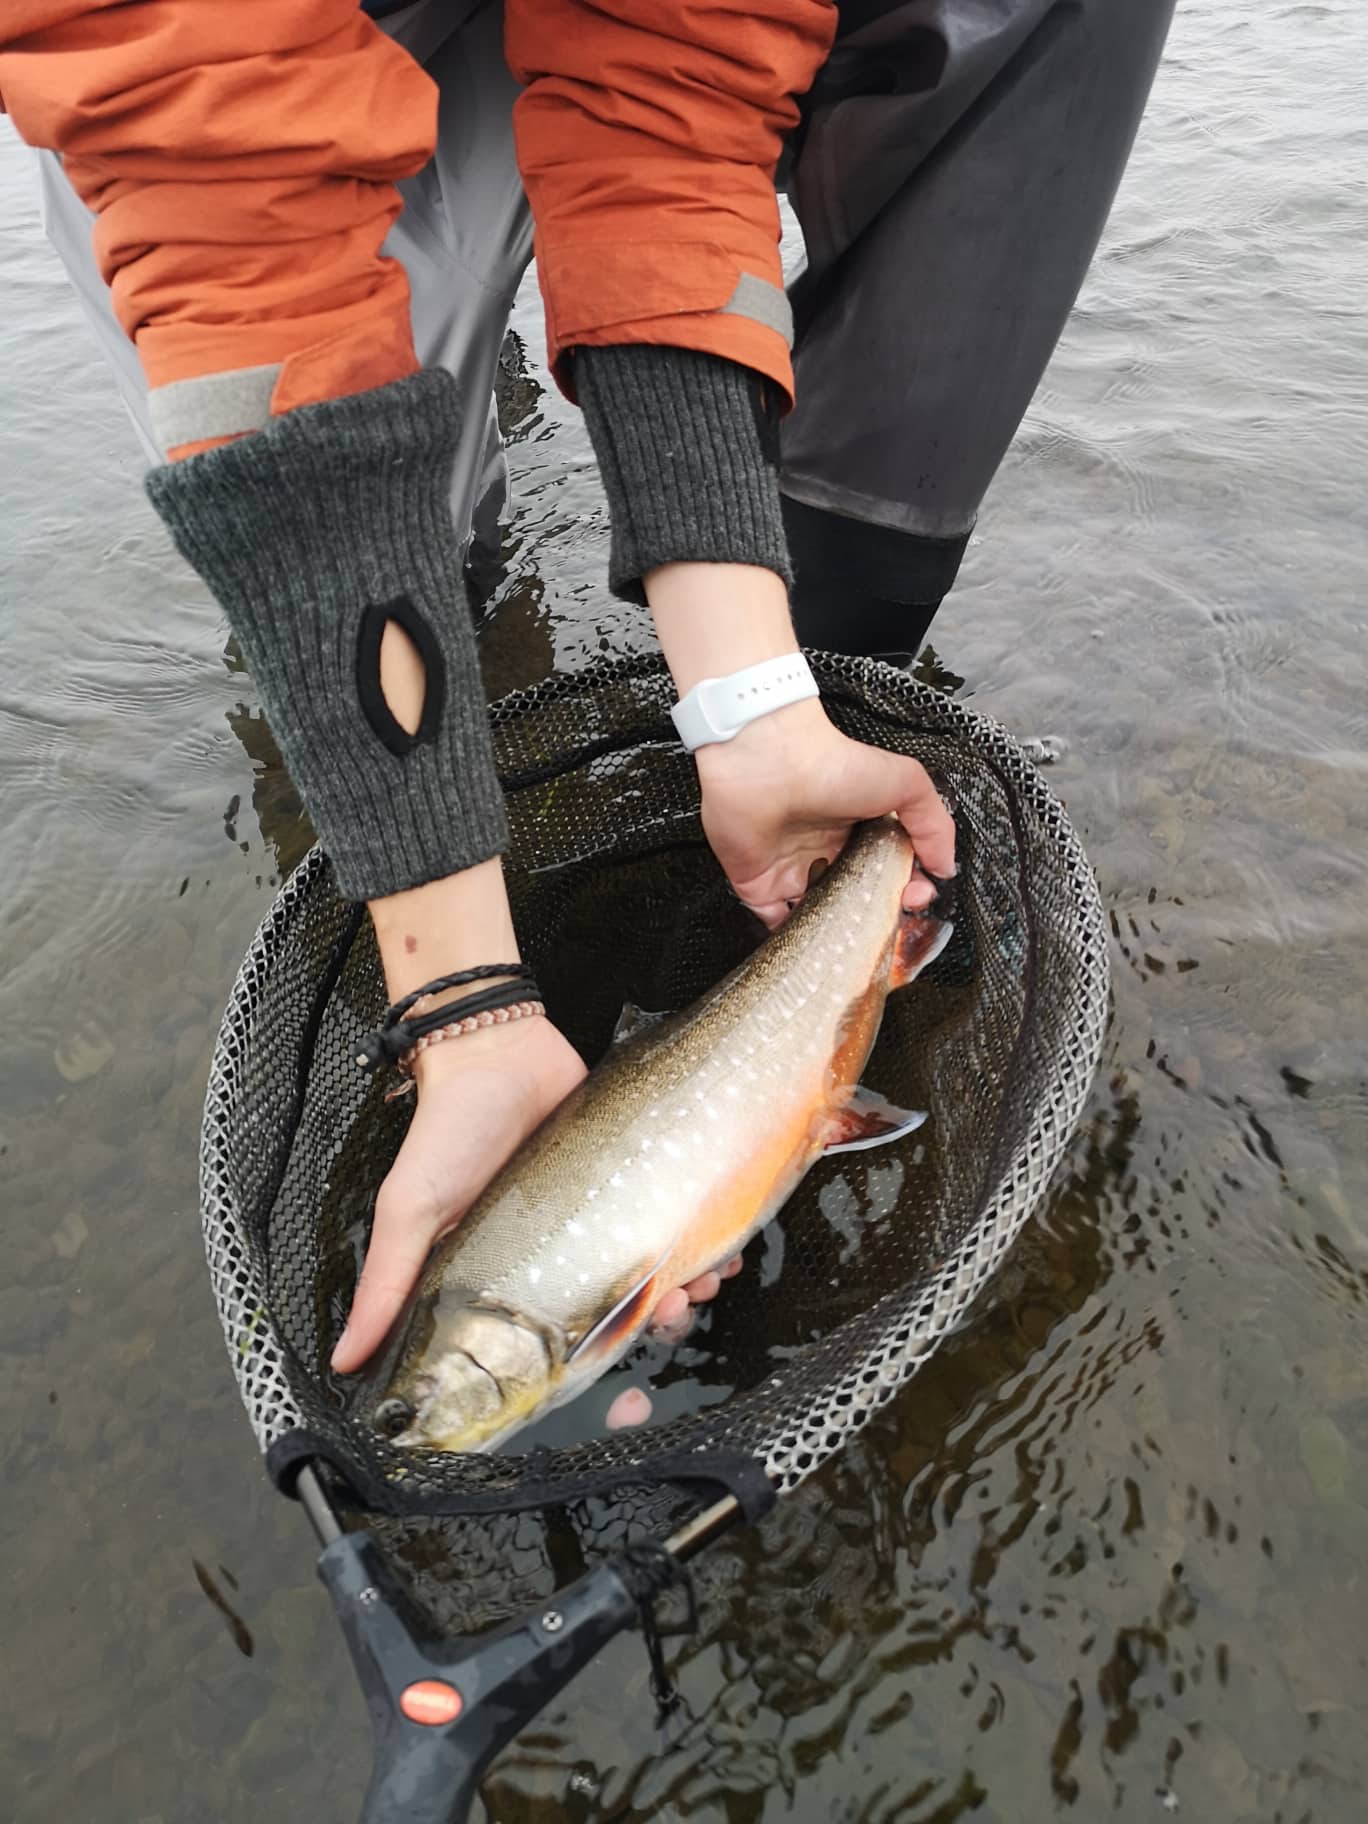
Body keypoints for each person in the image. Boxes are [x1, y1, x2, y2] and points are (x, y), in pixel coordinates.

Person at [1, 0, 1173, 1385]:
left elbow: (667, 95)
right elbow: (227, 220)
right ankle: (468, 586)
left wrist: (750, 700)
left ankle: (811, 684)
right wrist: (461, 1001)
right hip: (215, 76)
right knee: (392, 528)